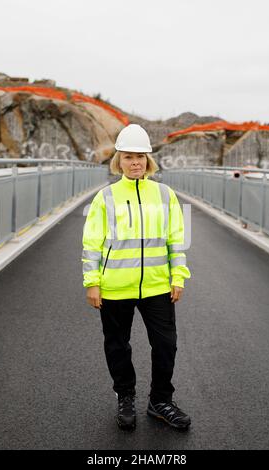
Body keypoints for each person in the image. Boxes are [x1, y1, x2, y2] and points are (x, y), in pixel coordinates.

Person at [82, 124, 191, 431]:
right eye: (129, 156)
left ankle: (160, 401)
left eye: (141, 157)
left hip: (157, 286)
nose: (136, 162)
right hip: (115, 287)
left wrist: (178, 277)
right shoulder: (106, 197)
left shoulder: (165, 195)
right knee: (118, 346)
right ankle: (125, 396)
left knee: (166, 344)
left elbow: (176, 240)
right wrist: (92, 282)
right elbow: (91, 243)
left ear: (148, 160)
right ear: (119, 160)